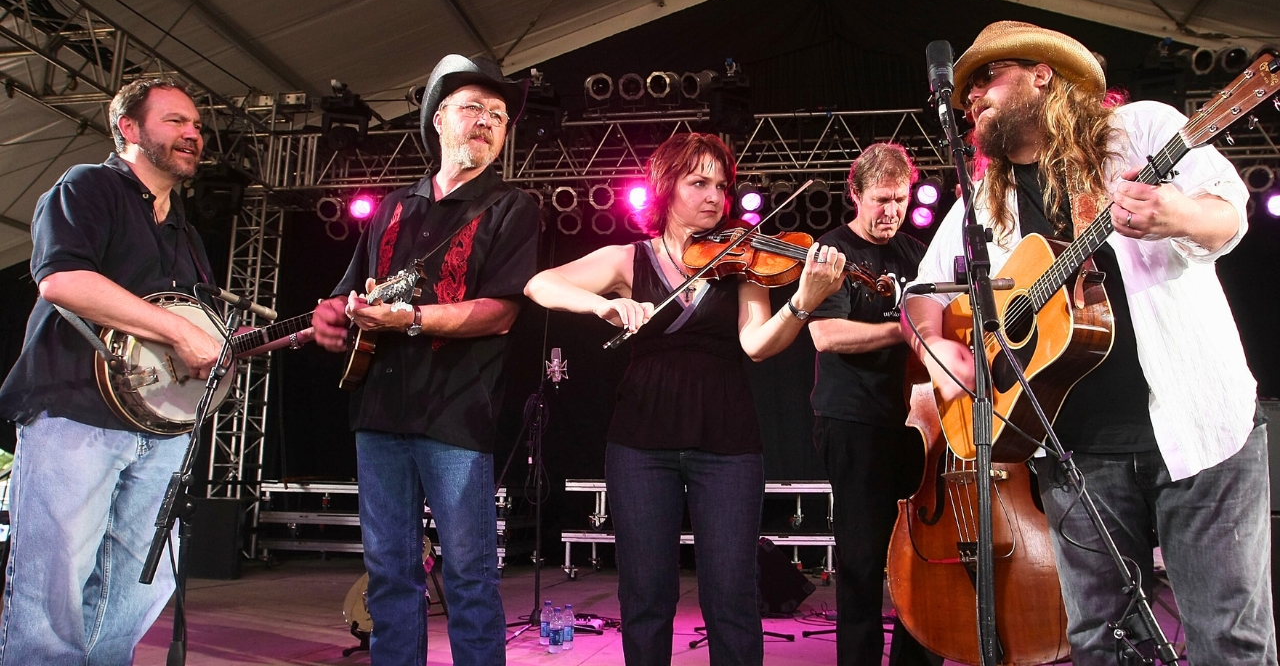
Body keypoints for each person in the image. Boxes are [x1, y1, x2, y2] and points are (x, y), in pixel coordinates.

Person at [902, 21, 1274, 664]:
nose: (972, 98)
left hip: (1198, 424)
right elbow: (919, 296)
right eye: (964, 92)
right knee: (1099, 641)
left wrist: (1174, 214)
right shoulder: (983, 203)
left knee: (1229, 640)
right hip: (1074, 452)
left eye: (986, 77)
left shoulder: (1140, 131)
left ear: (1040, 74)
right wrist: (941, 355)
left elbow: (1228, 213)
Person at [524, 132, 846, 665]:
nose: (714, 197)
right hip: (640, 444)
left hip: (727, 442)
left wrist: (804, 305)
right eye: (698, 183)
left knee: (733, 595)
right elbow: (541, 284)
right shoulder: (630, 259)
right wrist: (601, 308)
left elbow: (757, 344)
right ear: (665, 188)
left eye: (721, 185)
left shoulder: (742, 259)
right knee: (646, 595)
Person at [311, 54, 539, 666]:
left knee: (469, 576)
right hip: (379, 413)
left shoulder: (513, 207)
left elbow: (501, 311)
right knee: (389, 574)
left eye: (498, 115)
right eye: (474, 108)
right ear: (439, 119)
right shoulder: (390, 207)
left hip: (458, 417)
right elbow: (346, 291)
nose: (488, 121)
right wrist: (333, 316)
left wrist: (407, 319)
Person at [0, 78, 224, 665]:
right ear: (129, 128)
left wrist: (275, 336)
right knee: (55, 584)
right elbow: (63, 280)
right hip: (75, 410)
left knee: (140, 582)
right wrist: (179, 331)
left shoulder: (187, 232)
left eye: (196, 126)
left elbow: (202, 332)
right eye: (176, 121)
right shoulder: (88, 186)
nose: (193, 134)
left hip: (159, 428)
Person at [807, 143, 941, 666]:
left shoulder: (916, 253)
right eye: (882, 199)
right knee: (862, 562)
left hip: (918, 424)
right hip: (853, 420)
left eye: (901, 200)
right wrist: (903, 331)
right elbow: (825, 334)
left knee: (925, 556)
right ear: (856, 194)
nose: (892, 211)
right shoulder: (831, 252)